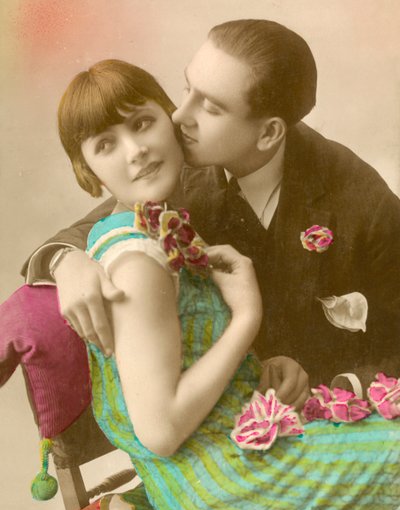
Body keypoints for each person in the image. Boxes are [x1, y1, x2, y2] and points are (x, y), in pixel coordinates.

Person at [39, 57, 400, 510]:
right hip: (225, 483)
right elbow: (161, 431)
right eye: (106, 145)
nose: (136, 150)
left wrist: (265, 366)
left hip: (235, 452)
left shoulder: (166, 219)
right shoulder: (137, 258)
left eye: (142, 123)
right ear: (87, 171)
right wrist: (246, 316)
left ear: (166, 122)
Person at [23, 19, 400, 394]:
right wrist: (65, 261)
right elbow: (101, 221)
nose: (178, 116)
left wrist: (341, 386)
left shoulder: (361, 201)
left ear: (269, 133)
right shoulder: (185, 160)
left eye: (212, 108)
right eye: (187, 88)